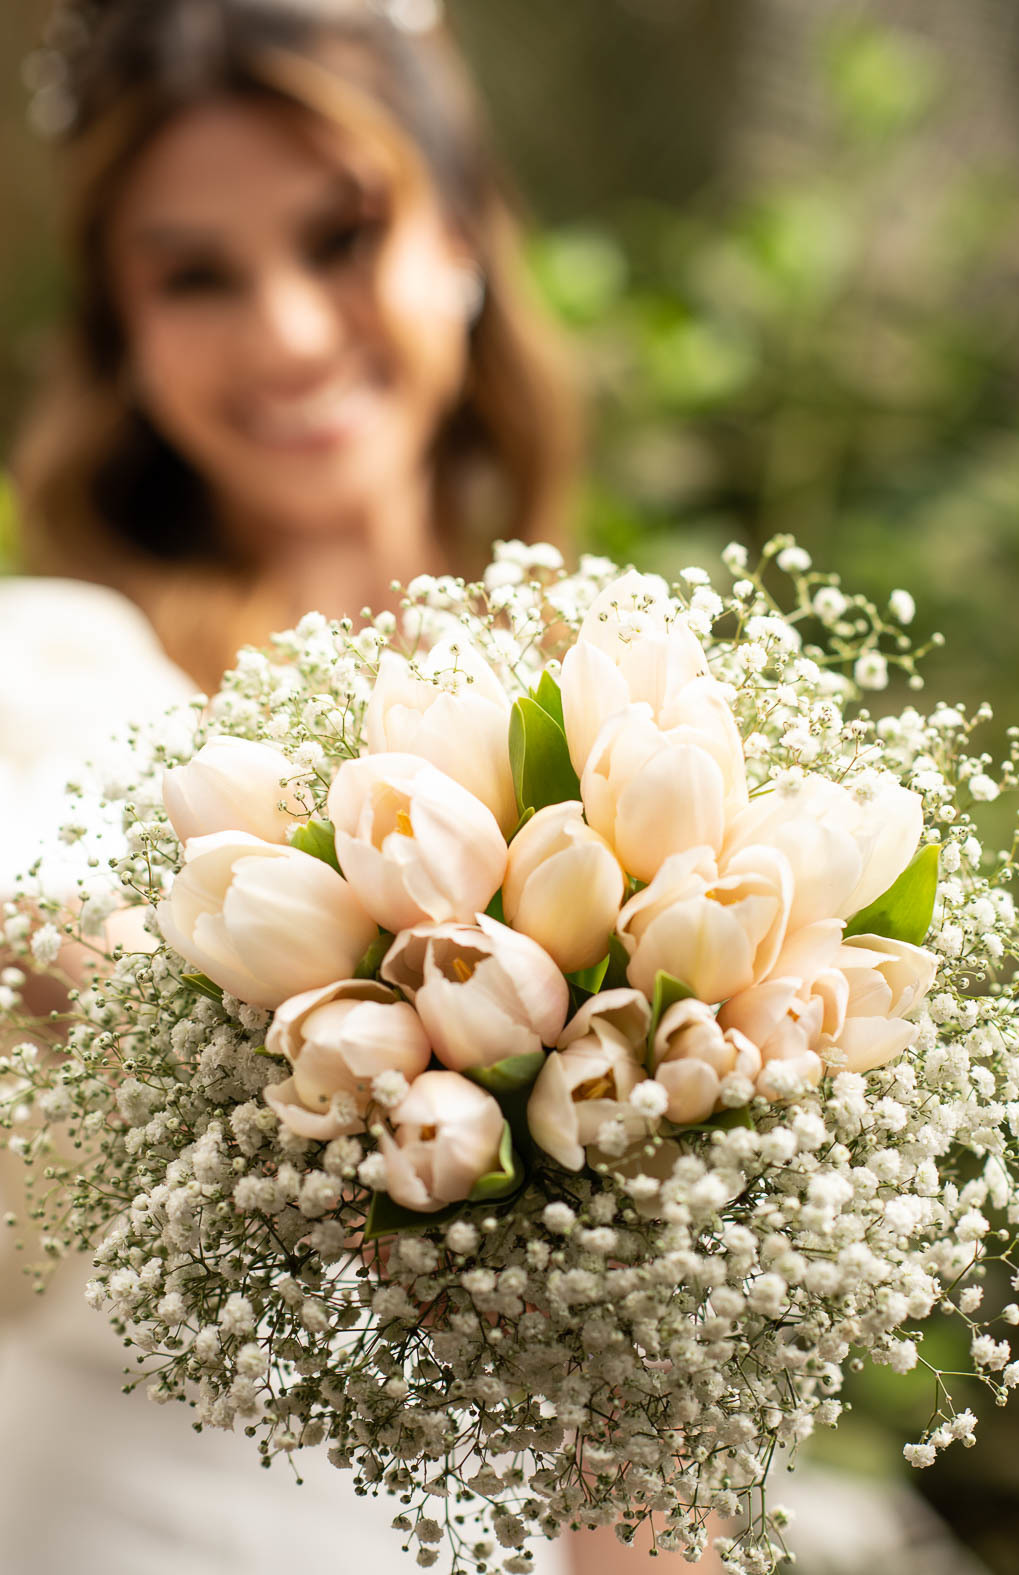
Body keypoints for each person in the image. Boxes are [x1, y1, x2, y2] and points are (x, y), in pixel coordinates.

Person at [3, 2, 721, 1571]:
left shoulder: (647, 737)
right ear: (125, 339)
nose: (288, 333)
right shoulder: (52, 680)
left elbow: (660, 1426)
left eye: (341, 236)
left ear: (464, 238)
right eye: (195, 274)